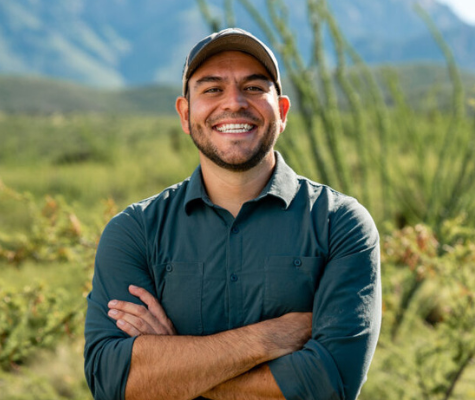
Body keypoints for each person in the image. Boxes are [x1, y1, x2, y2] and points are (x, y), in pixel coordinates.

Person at [83, 28, 382, 400]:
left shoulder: (340, 224)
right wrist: (270, 337)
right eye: (212, 89)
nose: (234, 103)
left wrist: (175, 362)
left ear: (283, 111)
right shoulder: (134, 231)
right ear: (185, 112)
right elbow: (111, 382)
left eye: (254, 88)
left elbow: (327, 385)